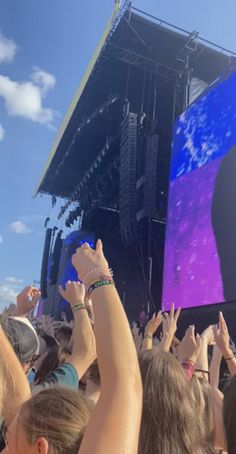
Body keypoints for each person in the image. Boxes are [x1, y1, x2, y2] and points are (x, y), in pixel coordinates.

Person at [1, 240, 143, 454]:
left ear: (41, 447)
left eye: (9, 443)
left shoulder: (30, 410)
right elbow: (123, 381)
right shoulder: (38, 412)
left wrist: (18, 315)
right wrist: (96, 279)